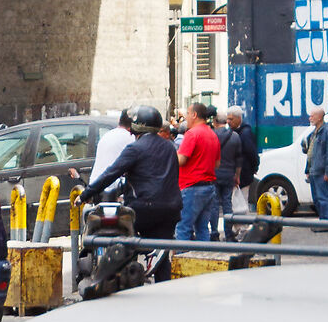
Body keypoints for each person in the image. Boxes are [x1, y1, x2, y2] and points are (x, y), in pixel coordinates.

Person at [85, 107, 181, 242]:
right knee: (162, 250)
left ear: (137, 126)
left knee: (127, 240)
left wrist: (86, 194)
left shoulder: (135, 148)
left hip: (144, 209)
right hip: (171, 208)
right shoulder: (169, 147)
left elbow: (111, 173)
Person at [175, 102, 221, 242]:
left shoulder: (192, 134)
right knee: (202, 228)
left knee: (183, 228)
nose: (186, 117)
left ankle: (182, 262)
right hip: (209, 187)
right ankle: (204, 259)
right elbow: (217, 164)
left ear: (194, 115)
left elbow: (181, 160)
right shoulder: (212, 135)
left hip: (191, 186)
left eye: (188, 114)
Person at [217, 107, 259, 222]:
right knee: (237, 203)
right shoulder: (238, 132)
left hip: (243, 174)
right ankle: (239, 228)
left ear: (239, 118)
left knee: (242, 202)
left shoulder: (245, 133)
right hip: (238, 174)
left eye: (231, 119)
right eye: (227, 119)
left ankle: (243, 228)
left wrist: (254, 167)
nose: (228, 122)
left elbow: (252, 153)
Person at [304, 102, 328, 222]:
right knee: (317, 199)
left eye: (312, 116)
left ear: (319, 117)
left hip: (321, 171)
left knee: (324, 198)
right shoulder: (314, 133)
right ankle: (322, 220)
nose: (310, 118)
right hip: (313, 171)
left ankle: (327, 222)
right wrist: (307, 169)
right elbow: (310, 152)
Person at [88, 109, 133, 192]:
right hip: (111, 188)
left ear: (119, 120)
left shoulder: (107, 134)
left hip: (94, 184)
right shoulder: (130, 138)